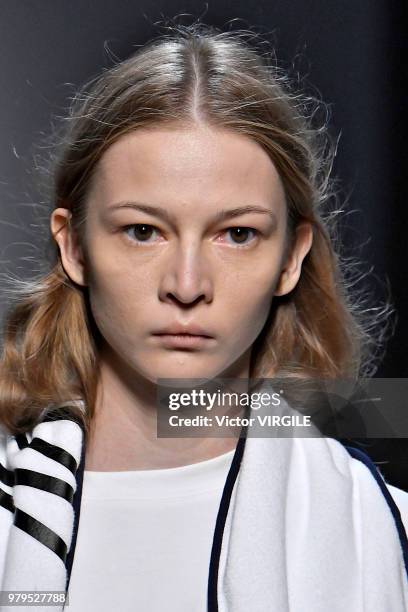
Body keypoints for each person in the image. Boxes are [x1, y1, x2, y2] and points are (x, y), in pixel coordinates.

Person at [0, 22, 407, 612]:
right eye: (143, 231)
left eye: (236, 234)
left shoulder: (385, 535)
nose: (186, 286)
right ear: (75, 247)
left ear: (291, 259)